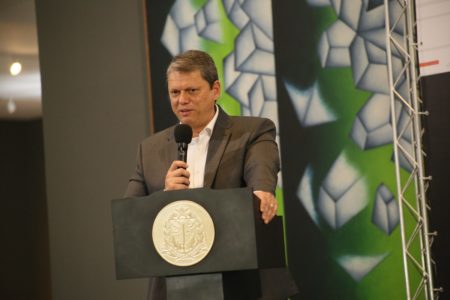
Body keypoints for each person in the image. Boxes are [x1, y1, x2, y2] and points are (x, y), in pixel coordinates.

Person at [125, 50, 295, 299]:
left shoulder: (252, 131)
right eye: (175, 92)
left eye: (192, 91)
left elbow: (261, 166)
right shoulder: (150, 149)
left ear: (215, 89)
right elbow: (129, 215)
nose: (182, 100)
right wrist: (164, 197)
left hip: (242, 283)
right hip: (175, 288)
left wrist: (262, 192)